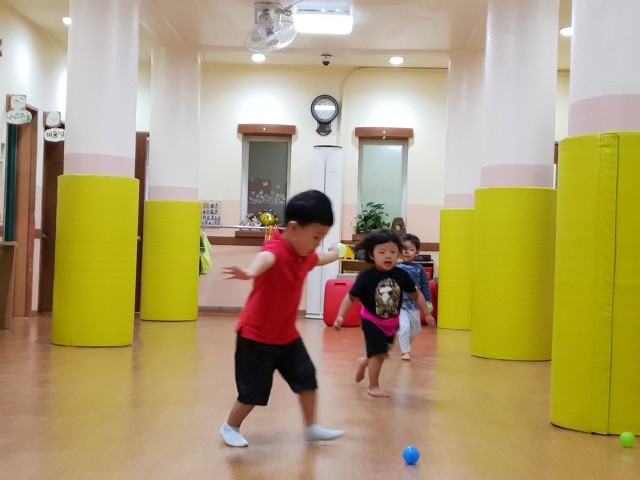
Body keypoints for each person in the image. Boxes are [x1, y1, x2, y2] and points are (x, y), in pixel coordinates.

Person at [219, 189, 345, 448]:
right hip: (255, 337)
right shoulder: (276, 249)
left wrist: (336, 252)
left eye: (322, 238)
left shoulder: (303, 254)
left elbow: (320, 258)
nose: (317, 243)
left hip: (287, 336)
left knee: (306, 378)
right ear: (294, 228)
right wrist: (250, 271)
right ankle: (230, 426)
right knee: (253, 392)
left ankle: (311, 428)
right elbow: (266, 258)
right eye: (316, 237)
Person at [333, 229, 431, 398]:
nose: (388, 256)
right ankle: (373, 386)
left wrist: (426, 313)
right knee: (378, 354)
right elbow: (351, 297)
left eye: (393, 252)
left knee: (381, 353)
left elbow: (417, 294)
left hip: (391, 322)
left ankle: (365, 362)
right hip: (371, 320)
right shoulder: (366, 277)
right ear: (372, 254)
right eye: (382, 252)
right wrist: (341, 315)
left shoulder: (401, 275)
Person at [396, 233, 436, 361]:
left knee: (415, 330)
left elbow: (425, 285)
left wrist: (428, 301)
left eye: (411, 249)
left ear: (417, 253)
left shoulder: (419, 269)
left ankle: (404, 342)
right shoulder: (396, 267)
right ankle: (405, 351)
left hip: (415, 306)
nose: (406, 252)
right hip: (400, 306)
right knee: (404, 327)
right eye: (403, 249)